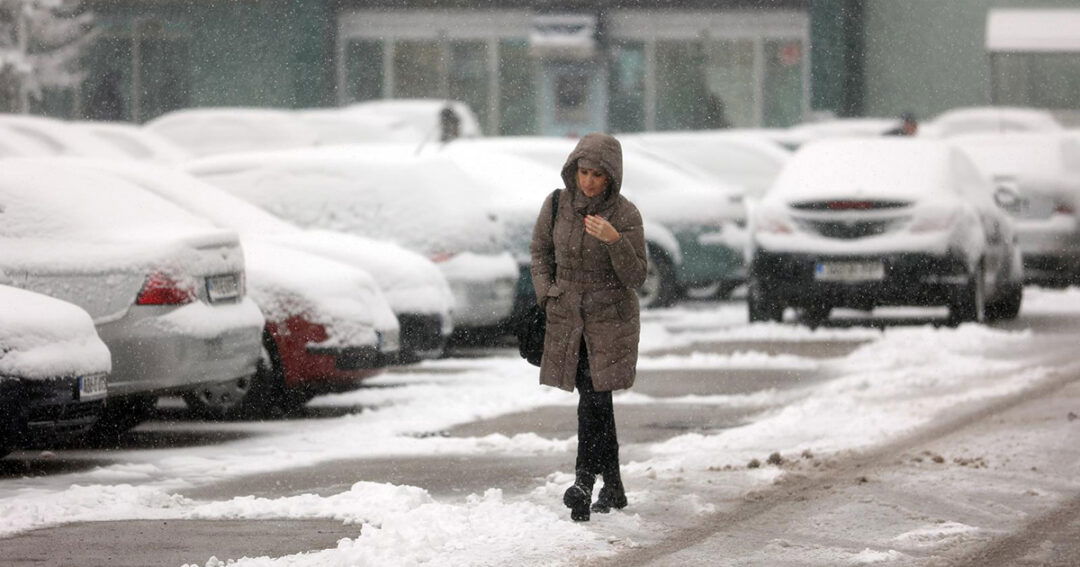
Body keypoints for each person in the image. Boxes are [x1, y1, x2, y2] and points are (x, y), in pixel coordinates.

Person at [529, 132, 648, 522]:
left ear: (611, 176)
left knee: (594, 399)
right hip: (567, 318)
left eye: (598, 174)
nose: (589, 181)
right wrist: (547, 294)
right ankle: (612, 485)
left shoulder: (625, 214)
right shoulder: (557, 204)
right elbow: (540, 253)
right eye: (583, 171)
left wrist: (615, 241)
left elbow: (636, 276)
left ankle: (583, 480)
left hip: (609, 321)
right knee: (596, 400)